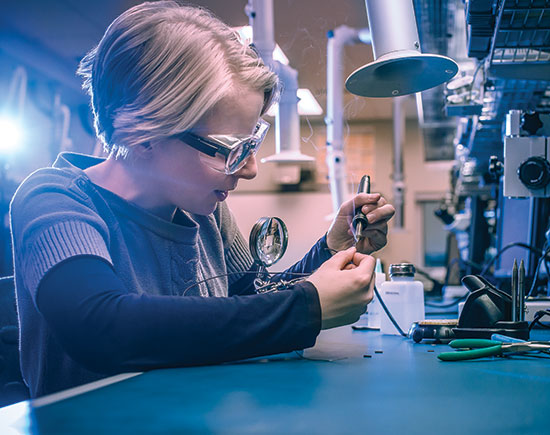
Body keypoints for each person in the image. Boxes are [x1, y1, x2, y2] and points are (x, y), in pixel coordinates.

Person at [9, 1, 395, 398]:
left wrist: (331, 249)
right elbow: (101, 327)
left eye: (253, 144)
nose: (250, 169)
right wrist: (306, 308)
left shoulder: (206, 212)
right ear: (144, 134)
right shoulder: (55, 200)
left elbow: (253, 301)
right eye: (230, 148)